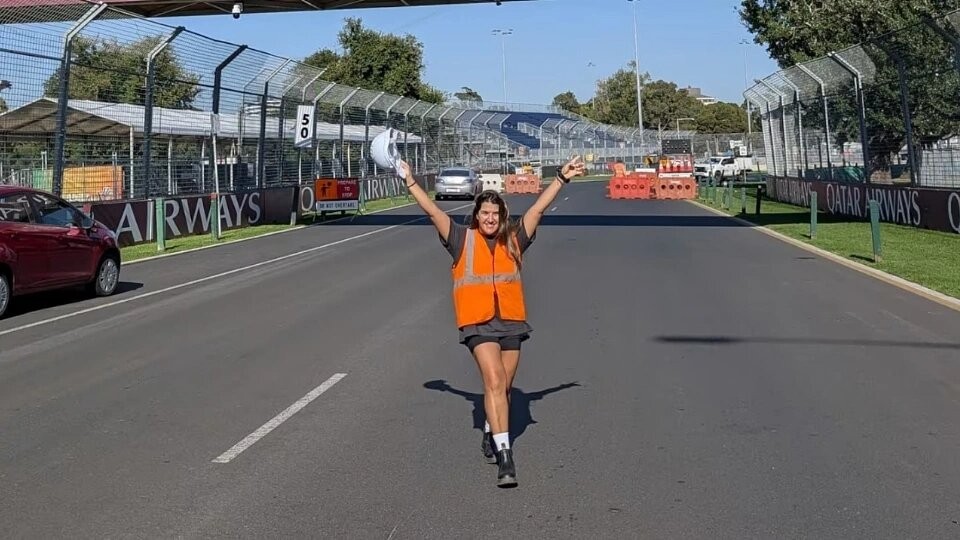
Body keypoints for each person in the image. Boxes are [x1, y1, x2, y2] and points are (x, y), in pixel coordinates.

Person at [401, 156, 585, 488]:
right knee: (495, 380)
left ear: (501, 218)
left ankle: (491, 427)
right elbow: (433, 212)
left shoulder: (514, 239)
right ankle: (505, 456)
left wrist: (561, 178)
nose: (489, 218)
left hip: (511, 321)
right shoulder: (460, 238)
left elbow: (537, 211)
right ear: (476, 216)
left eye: (494, 214)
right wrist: (411, 181)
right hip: (477, 323)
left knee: (505, 387)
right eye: (484, 213)